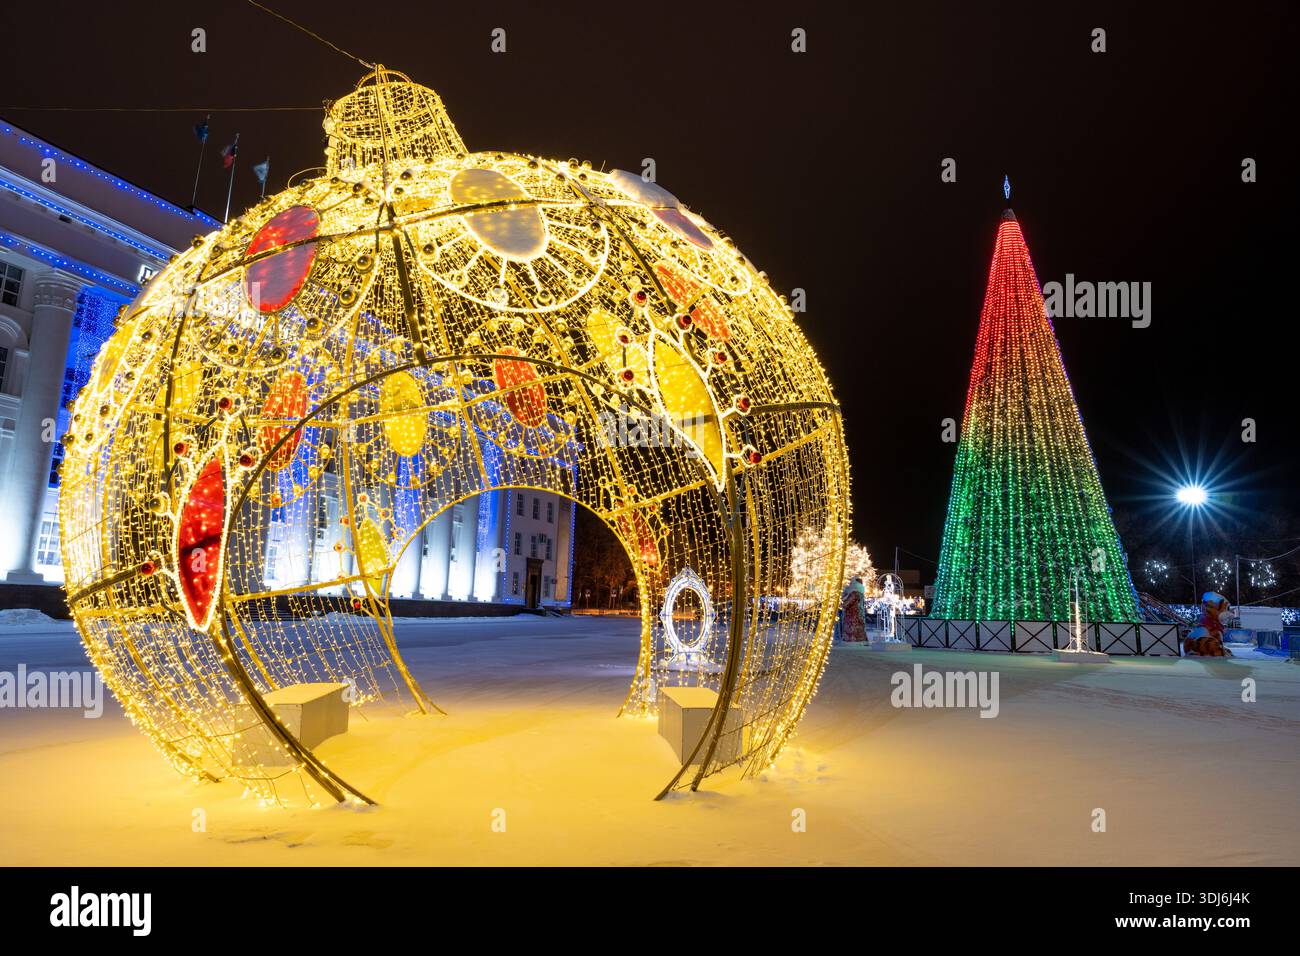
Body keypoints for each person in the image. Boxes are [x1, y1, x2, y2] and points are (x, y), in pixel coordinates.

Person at [840, 576, 868, 642]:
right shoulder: (860, 593)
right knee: (859, 626)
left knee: (853, 627)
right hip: (859, 613)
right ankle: (860, 639)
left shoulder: (854, 593)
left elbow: (847, 603)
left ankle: (853, 639)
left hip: (852, 614)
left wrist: (842, 604)